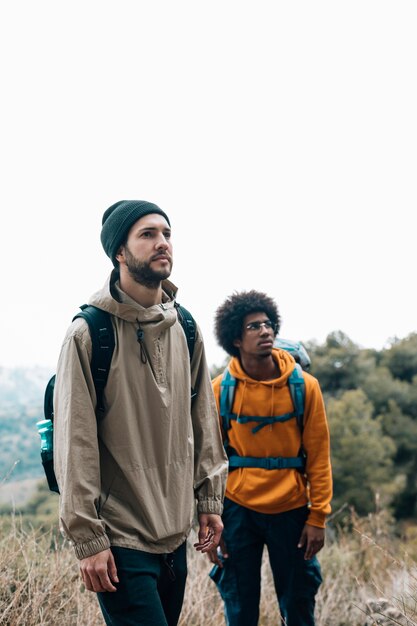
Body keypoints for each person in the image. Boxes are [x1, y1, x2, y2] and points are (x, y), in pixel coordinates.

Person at [54, 200, 228, 626]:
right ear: (119, 252)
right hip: (120, 542)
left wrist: (210, 499)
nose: (162, 243)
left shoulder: (185, 326)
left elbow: (203, 419)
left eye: (166, 234)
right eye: (147, 235)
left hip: (175, 537)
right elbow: (74, 443)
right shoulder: (88, 333)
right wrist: (89, 539)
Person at [208, 290, 332, 626]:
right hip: (237, 510)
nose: (265, 331)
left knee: (298, 606)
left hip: (291, 508)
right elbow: (208, 464)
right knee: (239, 607)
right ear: (235, 337)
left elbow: (319, 459)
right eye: (253, 327)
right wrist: (209, 521)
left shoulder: (305, 387)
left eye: (267, 324)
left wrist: (317, 517)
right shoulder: (220, 390)